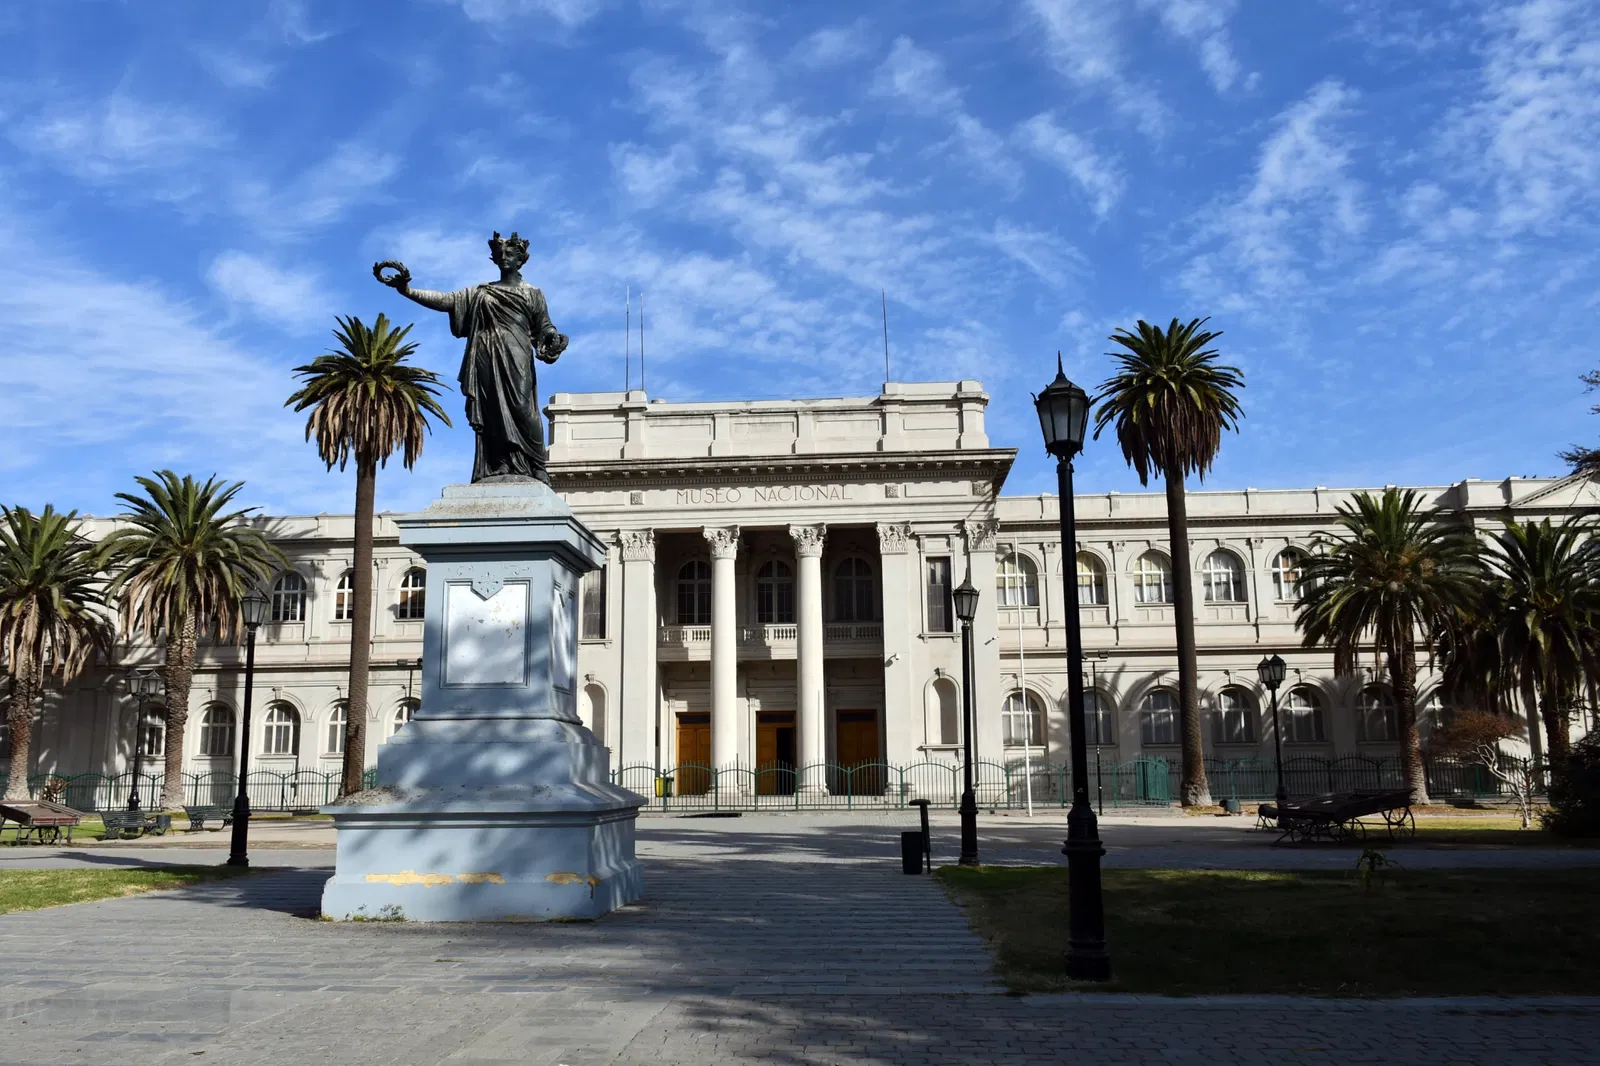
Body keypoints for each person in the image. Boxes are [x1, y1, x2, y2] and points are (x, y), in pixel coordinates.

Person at [376, 232, 569, 483]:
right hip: (484, 354)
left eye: (510, 254)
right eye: (500, 255)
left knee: (521, 407)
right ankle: (498, 463)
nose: (504, 258)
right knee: (490, 411)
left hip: (516, 352)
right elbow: (446, 301)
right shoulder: (481, 292)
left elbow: (544, 325)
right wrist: (407, 290)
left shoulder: (533, 293)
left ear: (521, 259)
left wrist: (553, 336)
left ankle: (536, 464)